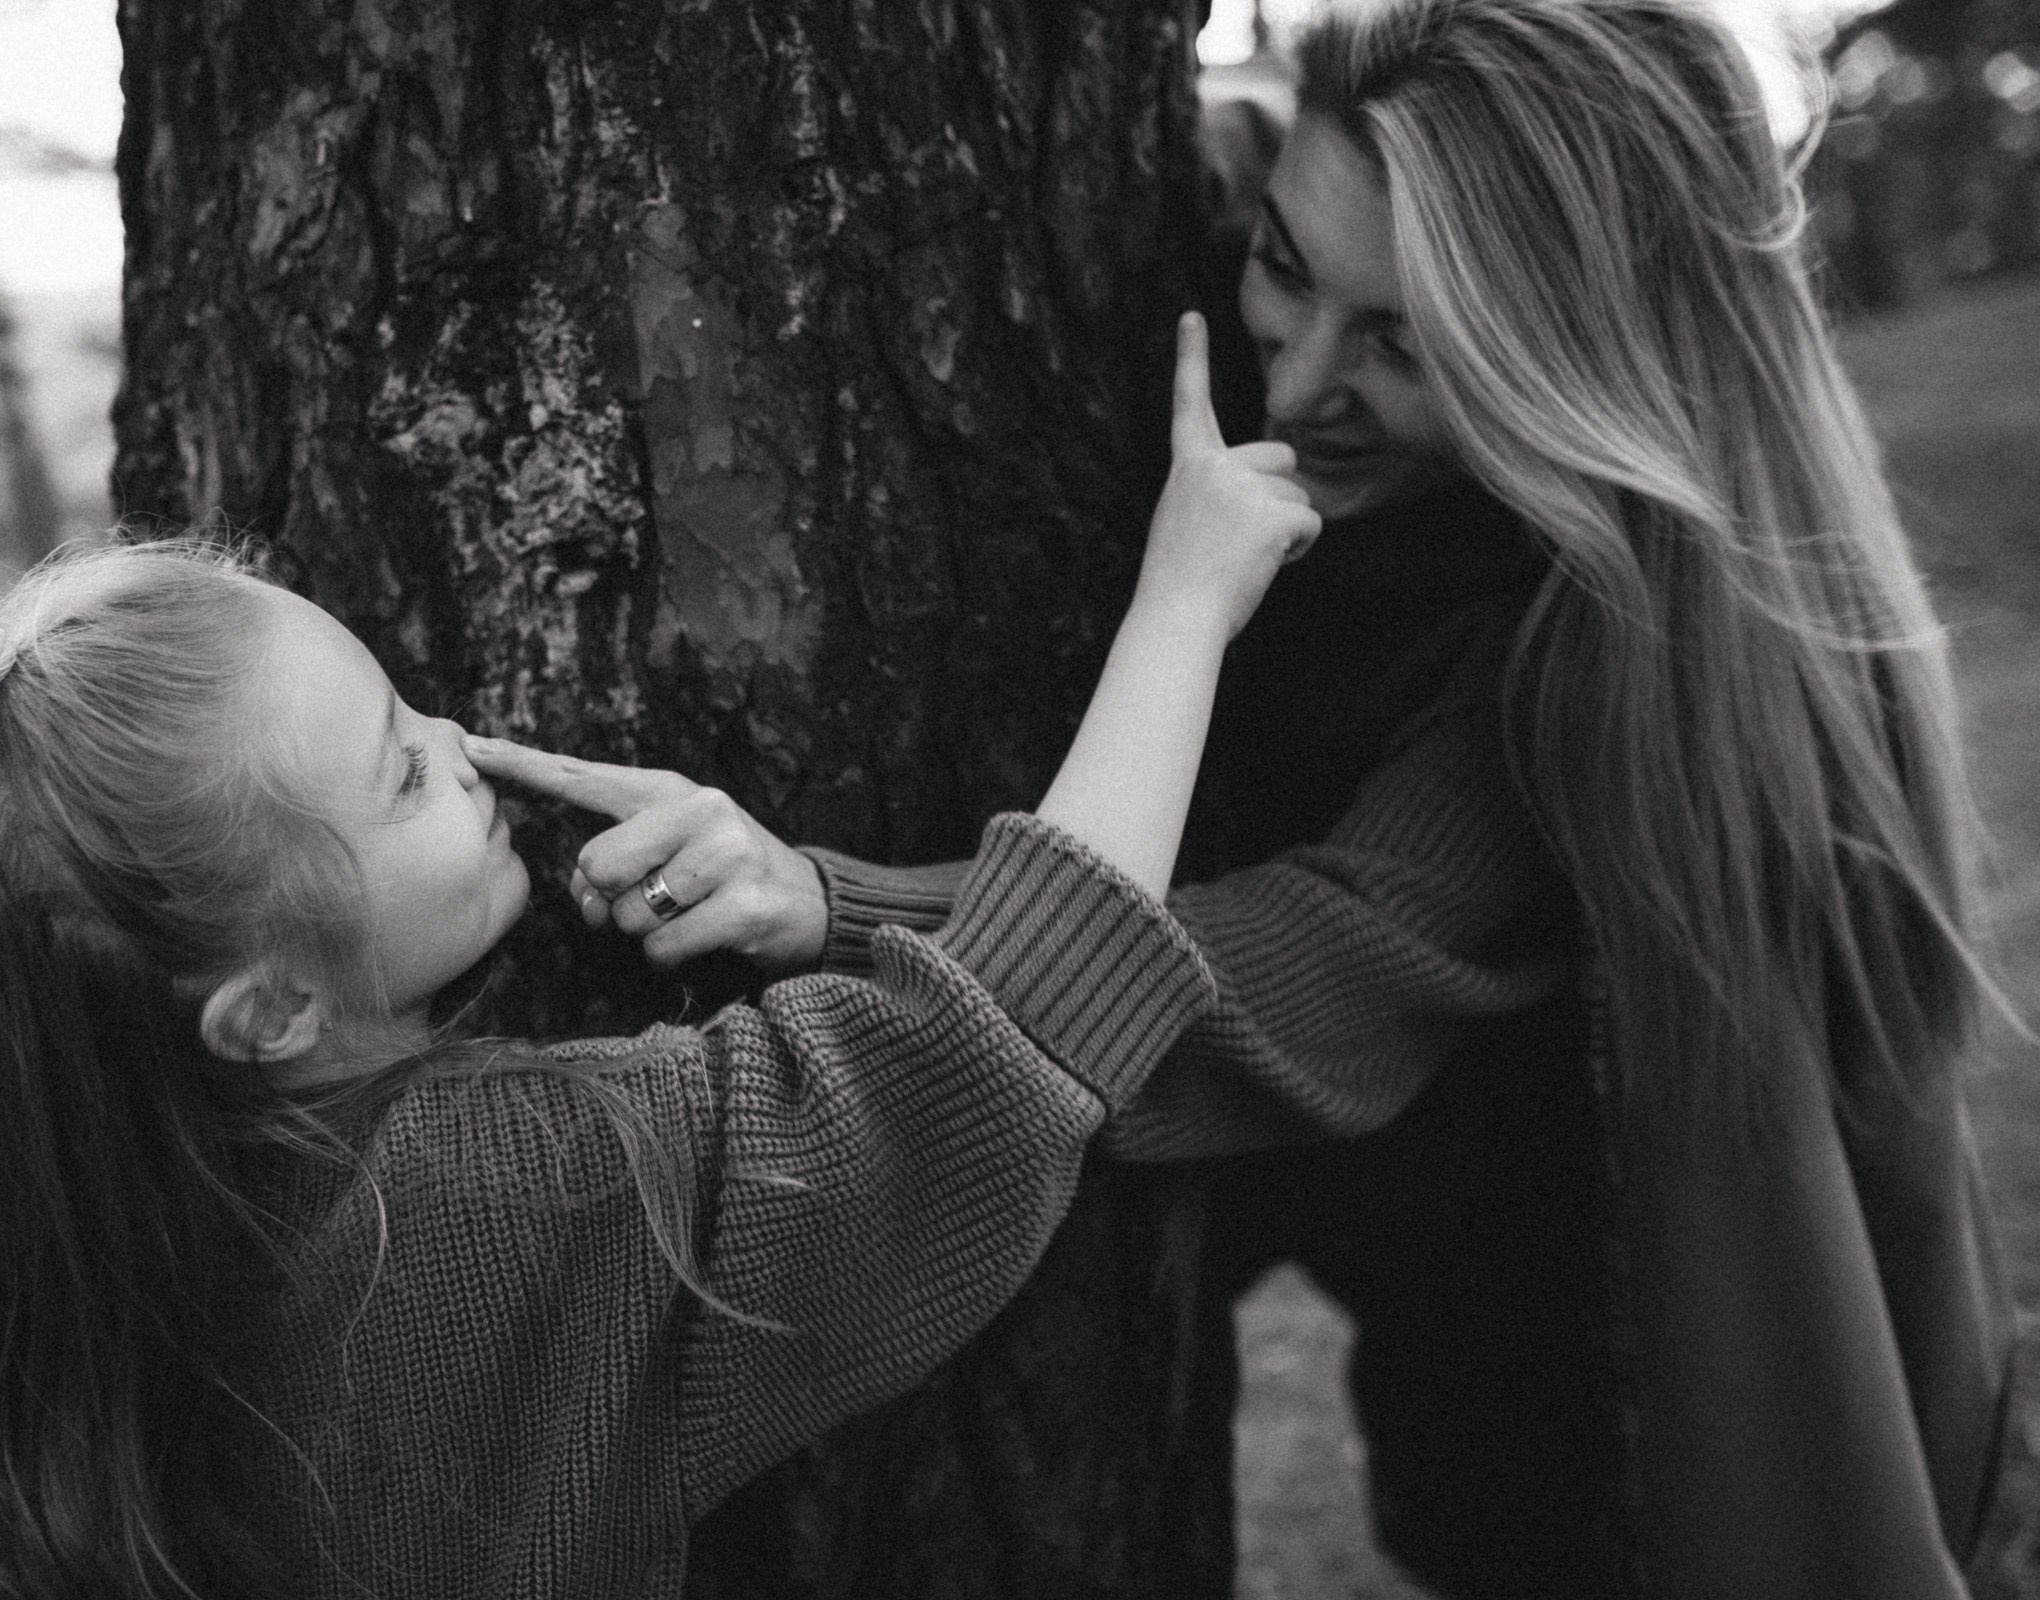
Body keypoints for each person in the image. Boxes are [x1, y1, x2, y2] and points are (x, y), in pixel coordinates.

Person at [642, 1, 2040, 1596]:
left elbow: (1327, 957)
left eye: (1409, 347)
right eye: (1286, 273)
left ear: (1571, 364)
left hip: (1666, 1462)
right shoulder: (1303, 189)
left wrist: (837, 904)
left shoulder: (1603, 648)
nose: (1296, 386)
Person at [0, 318, 1318, 1600]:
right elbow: (970, 1081)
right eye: (402, 772)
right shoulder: (481, 1209)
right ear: (267, 1012)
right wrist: (1184, 605)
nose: (462, 745)